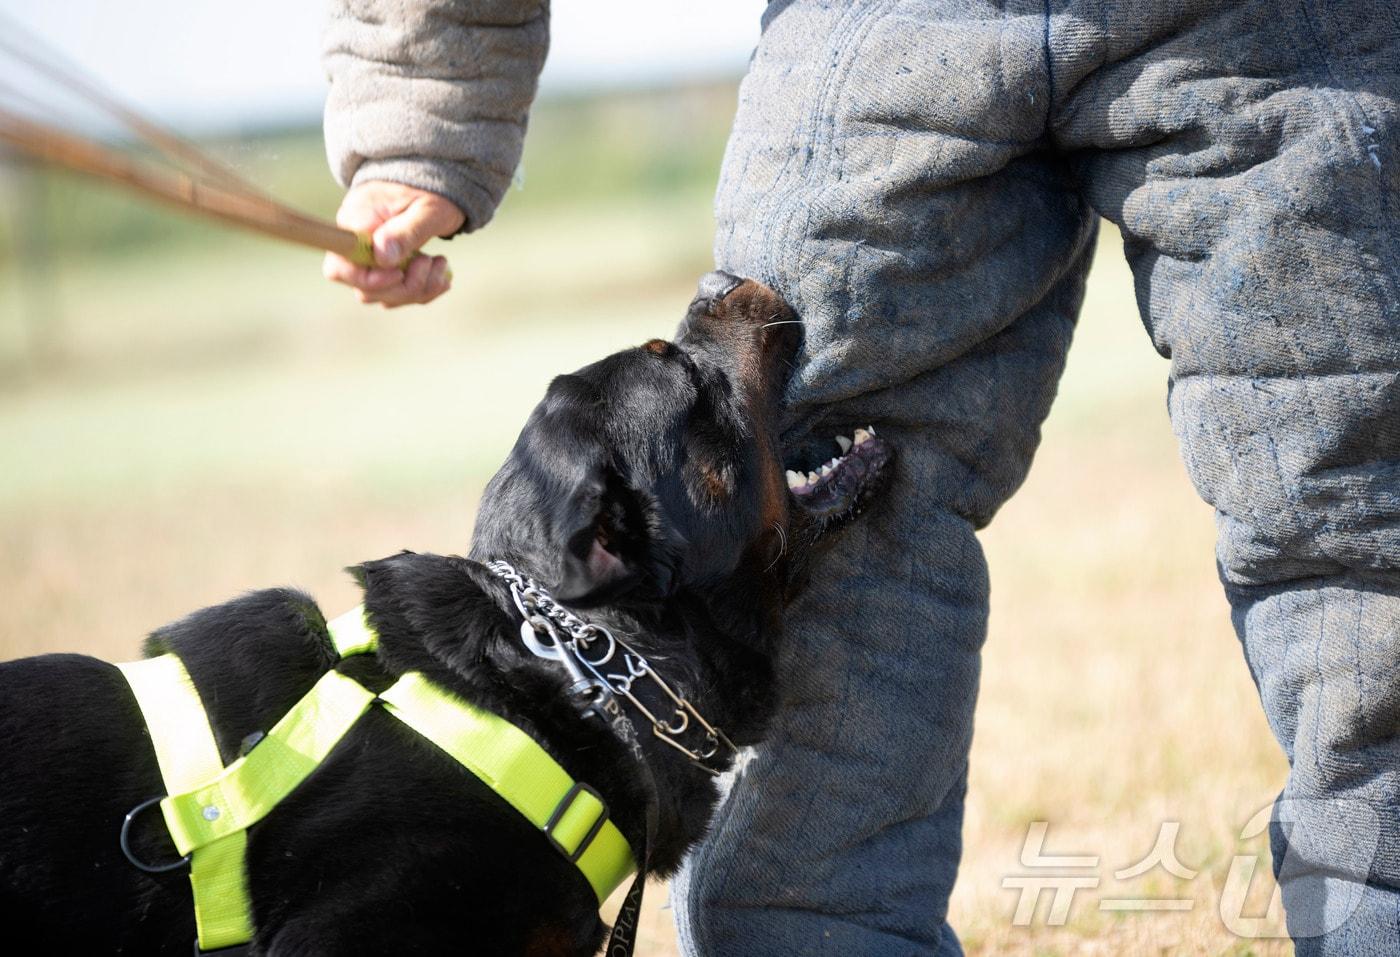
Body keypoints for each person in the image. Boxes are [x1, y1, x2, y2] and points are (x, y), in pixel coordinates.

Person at [321, 2, 1400, 953]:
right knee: (779, 514)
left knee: (1359, 499)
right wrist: (420, 120)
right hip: (898, 34)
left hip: (1266, 29)